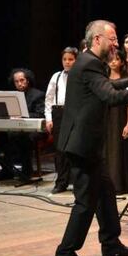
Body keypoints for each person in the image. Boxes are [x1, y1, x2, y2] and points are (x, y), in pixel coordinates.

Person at [54, 19, 128, 256]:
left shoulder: (89, 62)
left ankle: (111, 244)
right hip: (81, 144)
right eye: (112, 39)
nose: (116, 44)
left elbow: (104, 86)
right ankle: (65, 254)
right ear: (97, 39)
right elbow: (110, 97)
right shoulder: (90, 63)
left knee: (105, 192)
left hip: (86, 144)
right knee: (85, 202)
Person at [0, 68, 45, 182]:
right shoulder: (13, 96)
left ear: (27, 80)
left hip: (35, 129)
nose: (19, 83)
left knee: (21, 137)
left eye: (22, 80)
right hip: (17, 128)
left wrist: (23, 116)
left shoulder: (38, 95)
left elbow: (40, 114)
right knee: (1, 136)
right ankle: (6, 170)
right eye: (16, 81)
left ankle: (26, 171)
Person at [45, 47, 78, 193]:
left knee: (75, 148)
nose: (67, 62)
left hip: (75, 112)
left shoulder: (79, 76)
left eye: (70, 59)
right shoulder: (56, 76)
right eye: (65, 59)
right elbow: (49, 99)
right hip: (59, 113)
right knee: (60, 149)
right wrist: (48, 118)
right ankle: (61, 182)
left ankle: (77, 182)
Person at [104, 52, 128, 194]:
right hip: (107, 118)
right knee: (109, 152)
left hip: (121, 117)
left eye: (117, 59)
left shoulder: (126, 79)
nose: (113, 62)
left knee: (121, 151)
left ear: (122, 62)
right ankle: (109, 185)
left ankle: (121, 185)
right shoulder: (104, 80)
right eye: (110, 59)